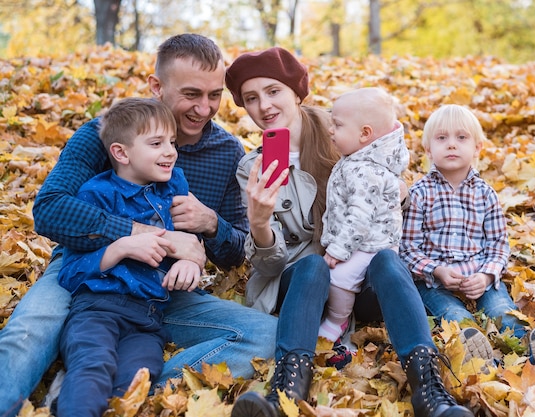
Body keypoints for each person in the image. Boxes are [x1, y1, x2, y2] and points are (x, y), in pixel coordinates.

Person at [0, 34, 277, 417]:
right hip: (90, 273)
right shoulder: (111, 132)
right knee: (26, 336)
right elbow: (50, 209)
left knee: (264, 334)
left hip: (164, 289)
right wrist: (152, 236)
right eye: (191, 94)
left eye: (214, 95)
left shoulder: (226, 152)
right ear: (156, 87)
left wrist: (211, 226)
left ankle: (117, 389)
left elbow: (237, 253)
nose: (204, 108)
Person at [225, 47, 473, 417]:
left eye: (273, 91)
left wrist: (397, 192)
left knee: (388, 259)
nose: (264, 105)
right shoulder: (253, 167)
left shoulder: (343, 132)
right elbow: (270, 267)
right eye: (251, 98)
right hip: (302, 289)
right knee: (313, 266)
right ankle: (286, 392)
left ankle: (430, 392)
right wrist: (259, 223)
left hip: (359, 282)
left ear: (296, 92)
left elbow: (389, 170)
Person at [56, 98, 202, 417]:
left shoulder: (173, 187)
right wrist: (121, 246)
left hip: (148, 318)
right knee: (93, 367)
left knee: (138, 378)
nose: (170, 151)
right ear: (121, 153)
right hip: (98, 309)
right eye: (156, 143)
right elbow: (70, 274)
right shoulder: (96, 195)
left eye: (172, 142)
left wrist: (189, 262)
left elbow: (189, 243)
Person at [399, 104, 535, 364]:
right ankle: (479, 357)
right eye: (442, 138)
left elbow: (498, 244)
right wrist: (436, 270)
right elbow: (408, 248)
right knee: (453, 316)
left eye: (461, 138)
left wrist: (487, 275)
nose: (451, 145)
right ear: (429, 150)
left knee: (501, 311)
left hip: (479, 275)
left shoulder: (485, 193)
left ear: (477, 148)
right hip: (435, 282)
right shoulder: (419, 193)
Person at [318, 87, 409, 349]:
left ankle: (338, 320)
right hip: (367, 238)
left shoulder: (363, 170)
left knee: (339, 277)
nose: (330, 130)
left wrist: (338, 250)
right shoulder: (358, 158)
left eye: (337, 125)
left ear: (365, 134)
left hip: (372, 242)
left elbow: (359, 218)